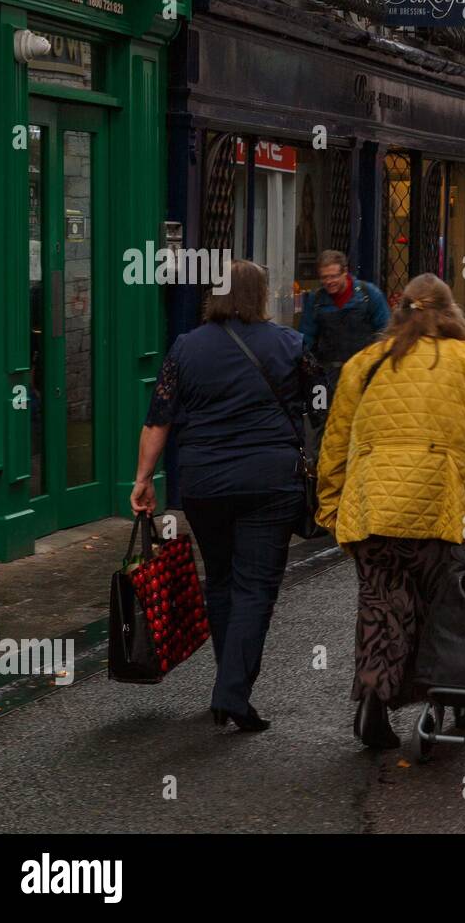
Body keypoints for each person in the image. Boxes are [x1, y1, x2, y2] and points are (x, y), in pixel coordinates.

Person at [316, 274, 465, 750]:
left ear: (399, 312)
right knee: (445, 610)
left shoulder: (363, 364)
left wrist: (331, 506)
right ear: (450, 314)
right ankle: (460, 700)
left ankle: (374, 698)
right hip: (441, 510)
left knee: (382, 607)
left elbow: (334, 442)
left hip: (372, 508)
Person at [132, 260, 319, 733]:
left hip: (204, 483)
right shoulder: (289, 344)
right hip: (269, 482)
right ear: (259, 296)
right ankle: (232, 691)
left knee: (219, 581)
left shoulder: (186, 348)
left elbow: (159, 417)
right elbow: (322, 402)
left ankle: (227, 684)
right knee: (255, 587)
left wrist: (142, 480)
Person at [298, 250, 390, 400]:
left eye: (333, 276)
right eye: (324, 277)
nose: (329, 282)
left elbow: (385, 332)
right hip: (327, 376)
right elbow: (306, 338)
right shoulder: (315, 301)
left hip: (362, 372)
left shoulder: (370, 295)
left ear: (345, 272)